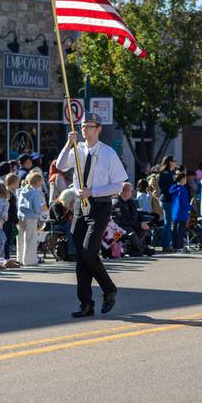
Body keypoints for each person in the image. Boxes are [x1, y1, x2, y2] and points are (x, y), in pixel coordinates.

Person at [56, 113, 128, 318]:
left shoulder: (108, 153)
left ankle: (109, 288)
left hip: (99, 205)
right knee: (81, 257)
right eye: (82, 126)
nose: (85, 130)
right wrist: (68, 144)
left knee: (89, 253)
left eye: (89, 126)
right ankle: (86, 303)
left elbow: (118, 185)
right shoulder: (78, 150)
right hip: (80, 205)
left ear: (99, 129)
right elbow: (60, 166)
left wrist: (93, 192)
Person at [111, 182, 152, 257]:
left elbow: (136, 214)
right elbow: (120, 221)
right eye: (131, 191)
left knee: (143, 228)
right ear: (125, 191)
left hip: (128, 227)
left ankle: (133, 250)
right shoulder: (116, 203)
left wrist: (144, 222)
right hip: (116, 232)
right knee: (130, 231)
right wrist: (139, 224)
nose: (132, 193)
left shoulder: (129, 202)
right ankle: (141, 249)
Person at [16, 171, 45, 267]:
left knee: (20, 238)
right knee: (30, 238)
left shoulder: (23, 190)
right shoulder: (36, 192)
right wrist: (41, 206)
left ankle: (19, 258)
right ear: (38, 182)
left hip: (21, 216)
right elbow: (36, 208)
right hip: (31, 217)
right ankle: (29, 260)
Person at [157, 155, 176, 252]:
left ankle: (169, 243)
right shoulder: (166, 174)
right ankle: (166, 245)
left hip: (169, 200)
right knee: (167, 223)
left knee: (169, 223)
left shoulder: (171, 173)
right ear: (169, 162)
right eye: (174, 161)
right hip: (167, 200)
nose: (175, 162)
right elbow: (166, 188)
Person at [51, 188, 77, 260]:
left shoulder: (69, 206)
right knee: (71, 226)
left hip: (66, 225)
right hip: (55, 225)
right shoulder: (56, 205)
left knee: (76, 226)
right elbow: (60, 220)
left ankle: (77, 251)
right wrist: (69, 211)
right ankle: (71, 253)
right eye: (71, 201)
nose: (72, 203)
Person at [170, 171, 193, 250]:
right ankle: (179, 247)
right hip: (182, 214)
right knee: (180, 232)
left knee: (174, 232)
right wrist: (191, 207)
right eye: (185, 178)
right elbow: (185, 204)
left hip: (174, 213)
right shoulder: (183, 190)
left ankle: (174, 246)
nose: (186, 180)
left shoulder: (173, 189)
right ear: (182, 179)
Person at [2, 173, 21, 266]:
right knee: (6, 240)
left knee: (8, 240)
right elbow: (9, 209)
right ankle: (6, 259)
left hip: (10, 220)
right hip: (7, 220)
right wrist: (15, 219)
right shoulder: (7, 193)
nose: (18, 185)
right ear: (13, 183)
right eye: (17, 183)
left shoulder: (10, 192)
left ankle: (7, 258)